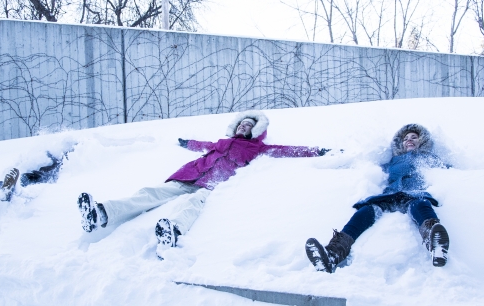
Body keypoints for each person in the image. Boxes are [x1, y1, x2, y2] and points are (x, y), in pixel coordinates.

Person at [78, 110, 331, 259]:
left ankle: (173, 231)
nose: (244, 127)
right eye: (241, 124)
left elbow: (287, 150)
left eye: (249, 125)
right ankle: (101, 213)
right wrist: (186, 142)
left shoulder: (258, 148)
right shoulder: (222, 142)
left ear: (256, 130)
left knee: (192, 203)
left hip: (212, 185)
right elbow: (203, 145)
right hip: (190, 175)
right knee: (151, 193)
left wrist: (317, 150)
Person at [305, 123, 450, 271]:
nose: (409, 140)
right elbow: (368, 167)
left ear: (423, 141)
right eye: (405, 138)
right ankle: (332, 255)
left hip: (414, 194)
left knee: (420, 205)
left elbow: (448, 171)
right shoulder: (392, 161)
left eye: (414, 137)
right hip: (389, 196)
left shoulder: (428, 158)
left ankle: (436, 244)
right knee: (366, 211)